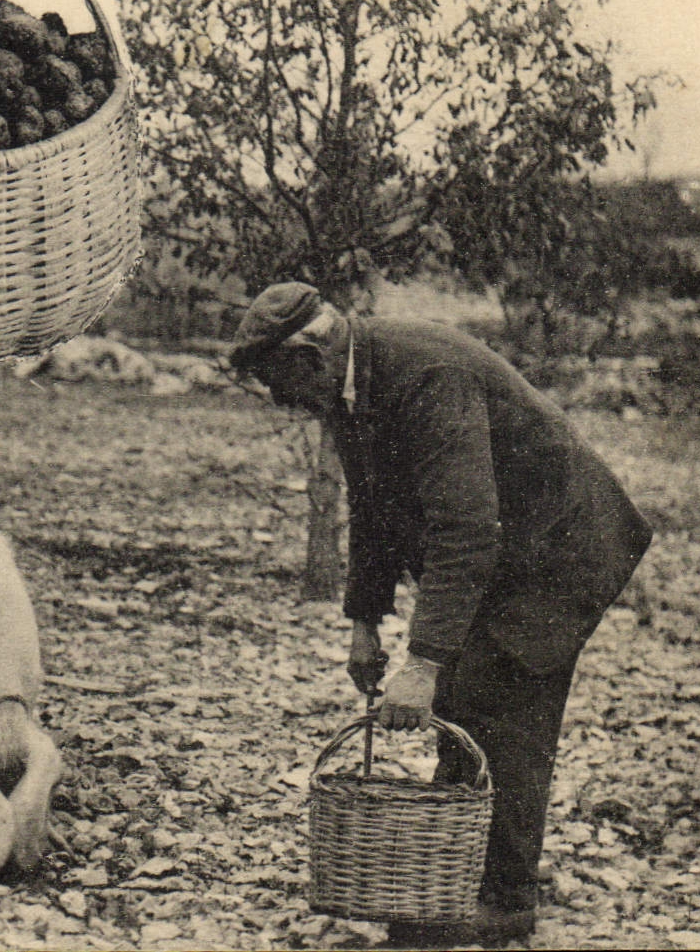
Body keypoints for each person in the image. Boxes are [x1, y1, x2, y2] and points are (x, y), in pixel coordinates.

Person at [227, 283, 652, 948]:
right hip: (502, 550)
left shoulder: (425, 374)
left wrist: (421, 661)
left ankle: (503, 899)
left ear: (309, 352)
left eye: (280, 383)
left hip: (558, 546)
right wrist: (365, 620)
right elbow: (371, 509)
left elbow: (464, 528)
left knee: (503, 699)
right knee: (462, 696)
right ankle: (451, 875)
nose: (282, 401)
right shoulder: (346, 386)